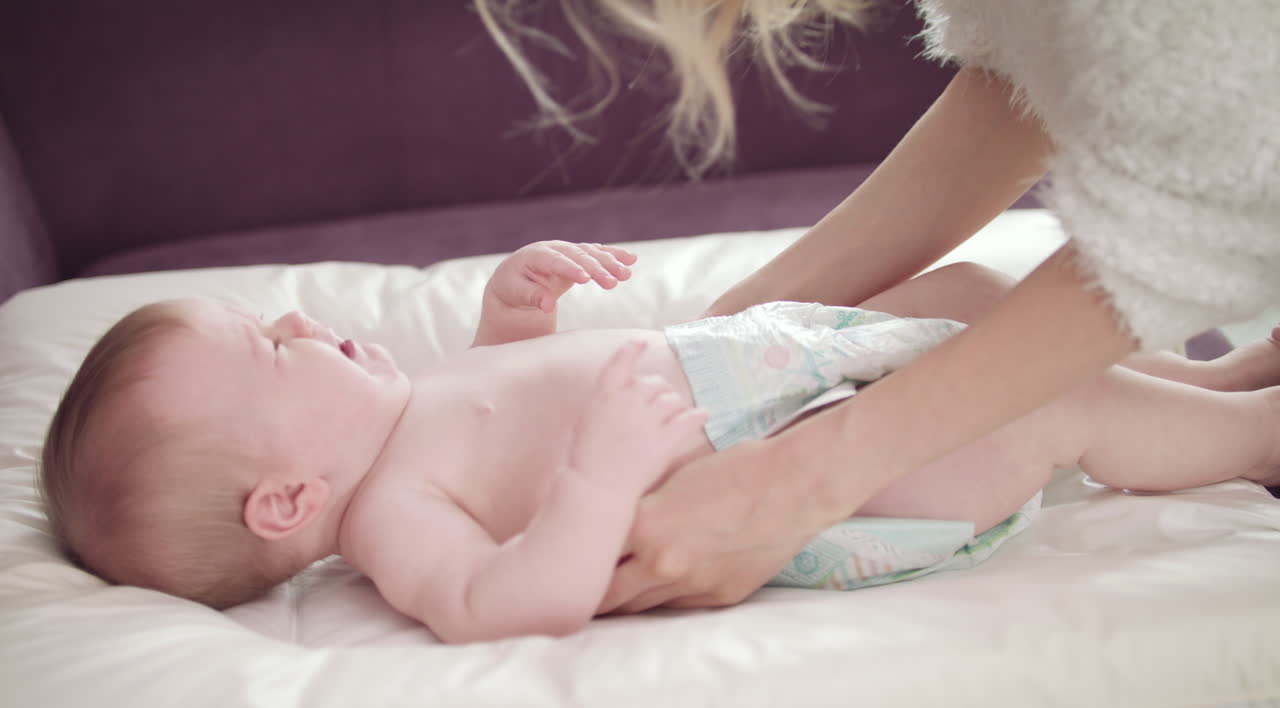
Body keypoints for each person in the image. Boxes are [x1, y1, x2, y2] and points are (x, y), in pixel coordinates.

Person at [40, 241, 1280, 643]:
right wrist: (596, 477)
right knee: (1035, 408)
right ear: (283, 503)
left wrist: (515, 309)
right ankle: (1248, 436)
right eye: (271, 348)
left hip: (806, 383)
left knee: (960, 298)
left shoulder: (412, 407)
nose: (303, 321)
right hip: (827, 489)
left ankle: (1191, 385)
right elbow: (504, 601)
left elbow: (501, 386)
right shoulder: (390, 524)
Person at [474, 0, 1280, 613]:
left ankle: (1224, 418)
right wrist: (748, 316)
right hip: (762, 428)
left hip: (768, 432)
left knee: (976, 312)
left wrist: (800, 477)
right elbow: (1029, 73)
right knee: (1025, 387)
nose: (342, 337)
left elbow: (1208, 191)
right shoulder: (386, 514)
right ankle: (1237, 419)